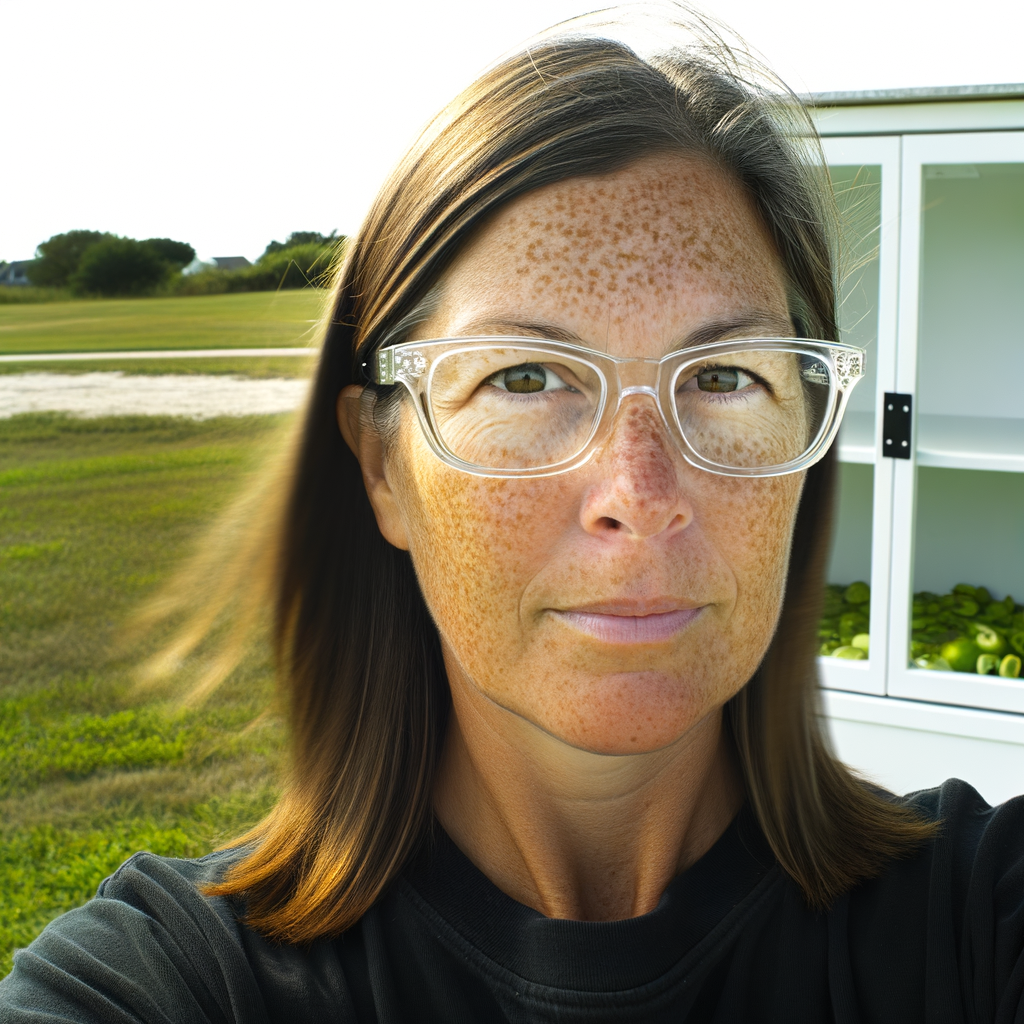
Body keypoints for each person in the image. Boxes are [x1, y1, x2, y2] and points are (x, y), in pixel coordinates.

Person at [3, 4, 1024, 1022]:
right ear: (382, 467)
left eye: (723, 377)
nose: (639, 495)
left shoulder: (980, 916)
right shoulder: (169, 985)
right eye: (525, 377)